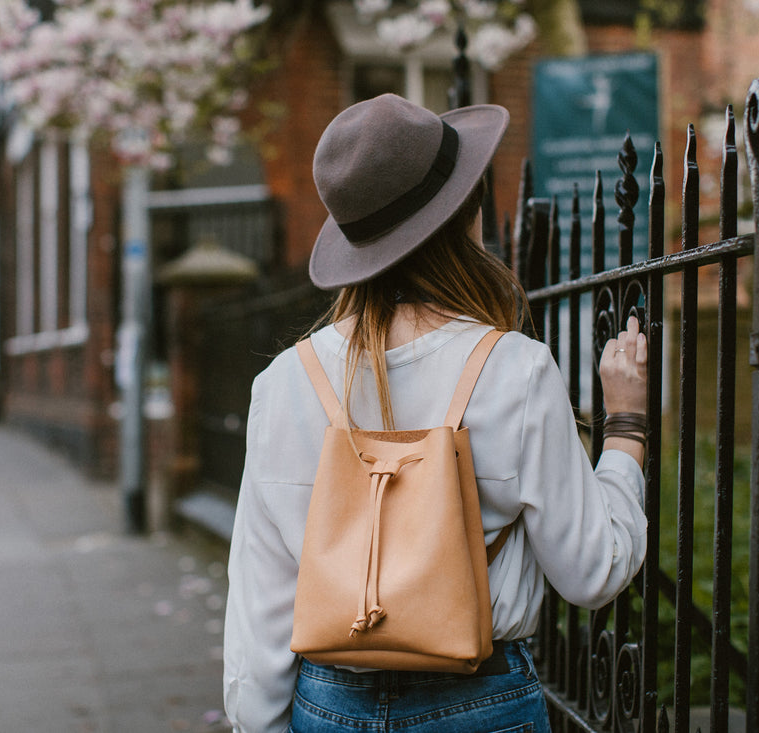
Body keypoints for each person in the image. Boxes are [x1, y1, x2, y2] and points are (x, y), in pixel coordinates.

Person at [222, 94, 648, 731]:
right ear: (465, 217)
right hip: (480, 702)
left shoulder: (283, 384)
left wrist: (261, 722)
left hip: (327, 705)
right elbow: (593, 571)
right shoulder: (513, 368)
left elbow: (263, 592)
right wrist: (626, 429)